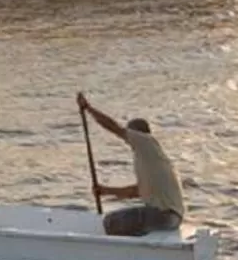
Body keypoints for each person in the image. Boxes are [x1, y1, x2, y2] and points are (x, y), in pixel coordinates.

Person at [77, 94, 185, 236]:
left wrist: (88, 108)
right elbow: (134, 192)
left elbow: (114, 127)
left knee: (111, 222)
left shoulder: (146, 141)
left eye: (129, 134)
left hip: (164, 216)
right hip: (171, 218)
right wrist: (105, 191)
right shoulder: (151, 160)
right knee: (119, 222)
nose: (127, 141)